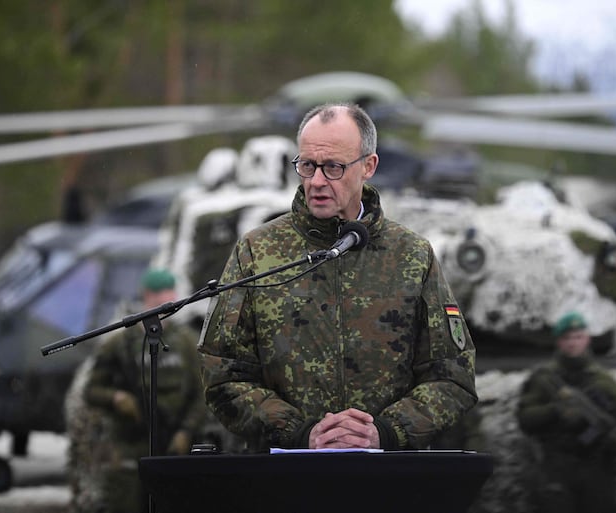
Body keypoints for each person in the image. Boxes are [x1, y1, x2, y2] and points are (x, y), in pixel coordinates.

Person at [198, 102, 478, 452]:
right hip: (285, 476)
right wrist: (301, 433)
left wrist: (385, 432)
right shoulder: (257, 252)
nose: (316, 181)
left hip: (387, 477)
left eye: (333, 167)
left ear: (368, 166)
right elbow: (223, 374)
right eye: (307, 165)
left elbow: (453, 376)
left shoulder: (412, 255)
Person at [81, 268, 207, 513]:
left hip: (172, 445)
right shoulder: (119, 344)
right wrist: (116, 398)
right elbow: (91, 390)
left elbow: (200, 394)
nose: (163, 304)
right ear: (146, 297)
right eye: (157, 297)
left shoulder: (186, 343)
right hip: (129, 447)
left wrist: (186, 431)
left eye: (168, 297)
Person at [515, 311, 616, 513]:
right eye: (567, 338)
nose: (573, 343)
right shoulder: (543, 378)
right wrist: (556, 410)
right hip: (558, 468)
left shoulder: (604, 381)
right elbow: (525, 419)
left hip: (597, 469)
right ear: (559, 341)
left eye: (578, 337)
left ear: (587, 339)